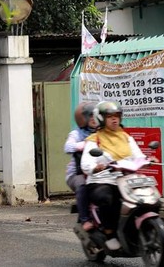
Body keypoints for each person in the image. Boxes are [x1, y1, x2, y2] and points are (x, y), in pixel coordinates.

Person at [81, 100, 154, 251]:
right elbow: (86, 163)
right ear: (101, 118)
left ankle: (135, 230)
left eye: (117, 116)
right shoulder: (94, 140)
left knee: (143, 198)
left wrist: (148, 159)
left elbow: (137, 156)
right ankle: (109, 233)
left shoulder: (126, 137)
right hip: (102, 180)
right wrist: (96, 167)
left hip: (125, 179)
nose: (114, 119)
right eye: (110, 116)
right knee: (108, 199)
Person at [64, 101, 98, 231]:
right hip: (77, 173)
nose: (94, 119)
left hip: (98, 171)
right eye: (90, 116)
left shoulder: (102, 132)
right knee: (82, 185)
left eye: (96, 116)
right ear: (83, 119)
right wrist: (84, 145)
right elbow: (67, 147)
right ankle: (85, 219)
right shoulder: (77, 134)